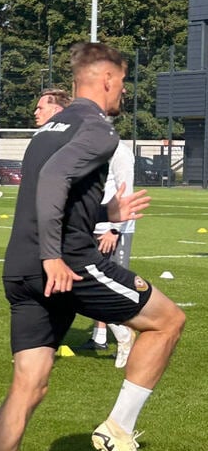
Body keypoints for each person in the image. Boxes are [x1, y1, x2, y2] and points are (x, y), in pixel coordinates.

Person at [0, 43, 185, 451]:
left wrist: (109, 214)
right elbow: (52, 182)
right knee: (167, 321)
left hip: (19, 268)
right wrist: (54, 255)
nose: (124, 92)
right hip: (65, 265)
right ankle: (118, 426)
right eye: (123, 82)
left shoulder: (47, 129)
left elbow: (60, 193)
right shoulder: (98, 128)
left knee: (29, 383)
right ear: (107, 80)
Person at [77, 140, 137, 366]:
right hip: (93, 225)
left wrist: (115, 229)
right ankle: (99, 337)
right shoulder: (92, 147)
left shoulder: (120, 151)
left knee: (115, 287)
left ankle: (127, 337)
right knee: (94, 283)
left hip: (113, 229)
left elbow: (126, 190)